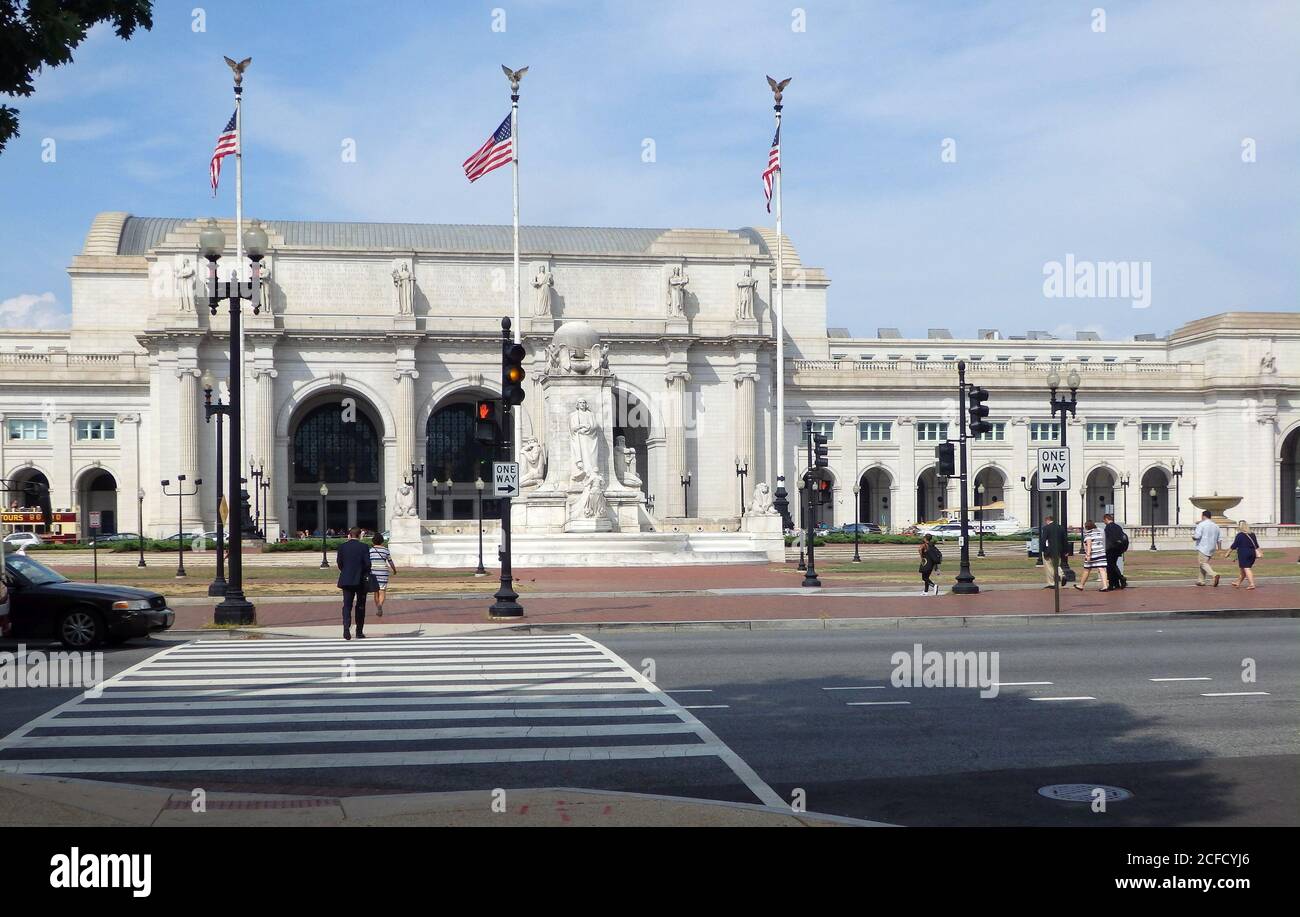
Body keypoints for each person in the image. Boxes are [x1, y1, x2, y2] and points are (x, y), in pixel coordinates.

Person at [335, 527, 372, 640]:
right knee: (360, 605)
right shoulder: (364, 547)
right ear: (360, 535)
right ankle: (359, 631)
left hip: (346, 579)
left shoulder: (342, 547)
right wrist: (363, 571)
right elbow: (368, 564)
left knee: (347, 605)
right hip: (360, 579)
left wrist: (346, 570)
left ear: (349, 535)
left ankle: (346, 628)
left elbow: (339, 563)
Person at [1223, 520, 1261, 589]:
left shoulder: (1240, 535)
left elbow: (1234, 545)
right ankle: (1238, 582)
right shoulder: (1252, 534)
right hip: (1252, 553)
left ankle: (1252, 584)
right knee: (1243, 569)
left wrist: (1227, 553)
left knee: (1246, 568)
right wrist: (1260, 552)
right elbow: (1256, 545)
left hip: (1244, 554)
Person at [1074, 520, 1108, 590]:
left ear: (1087, 527)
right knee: (1102, 569)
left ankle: (1081, 585)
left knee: (1087, 569)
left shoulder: (1088, 533)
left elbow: (1089, 544)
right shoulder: (1100, 532)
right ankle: (1105, 585)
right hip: (1101, 552)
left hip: (1093, 554)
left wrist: (1088, 554)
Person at [369, 532, 397, 616]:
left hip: (373, 572)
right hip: (383, 572)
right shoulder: (385, 550)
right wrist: (394, 570)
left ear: (373, 541)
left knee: (375, 591)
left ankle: (377, 606)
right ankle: (380, 605)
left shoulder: (370, 550)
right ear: (382, 541)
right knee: (382, 591)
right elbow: (390, 561)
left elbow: (367, 562)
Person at [1192, 509, 1222, 586]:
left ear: (1203, 516)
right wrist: (1219, 549)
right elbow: (1219, 539)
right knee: (1203, 563)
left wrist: (1193, 537)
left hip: (1203, 546)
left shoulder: (1201, 524)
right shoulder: (1216, 526)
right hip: (1212, 547)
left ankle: (1214, 574)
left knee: (1202, 563)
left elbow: (1197, 536)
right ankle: (1201, 580)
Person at [1102, 513, 1128, 590]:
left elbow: (1109, 539)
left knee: (1110, 566)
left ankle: (1120, 579)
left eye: (1104, 520)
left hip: (1111, 549)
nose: (1104, 522)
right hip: (1119, 549)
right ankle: (1116, 583)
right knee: (1112, 565)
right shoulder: (1118, 527)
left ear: (1106, 519)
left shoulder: (1108, 527)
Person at [1039, 514, 1066, 588]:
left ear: (1047, 520)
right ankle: (1062, 575)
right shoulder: (1061, 528)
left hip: (1048, 550)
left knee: (1049, 566)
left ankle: (1051, 583)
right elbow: (1064, 540)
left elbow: (1044, 540)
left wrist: (1042, 549)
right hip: (1058, 550)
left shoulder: (1046, 528)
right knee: (1056, 565)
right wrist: (1065, 550)